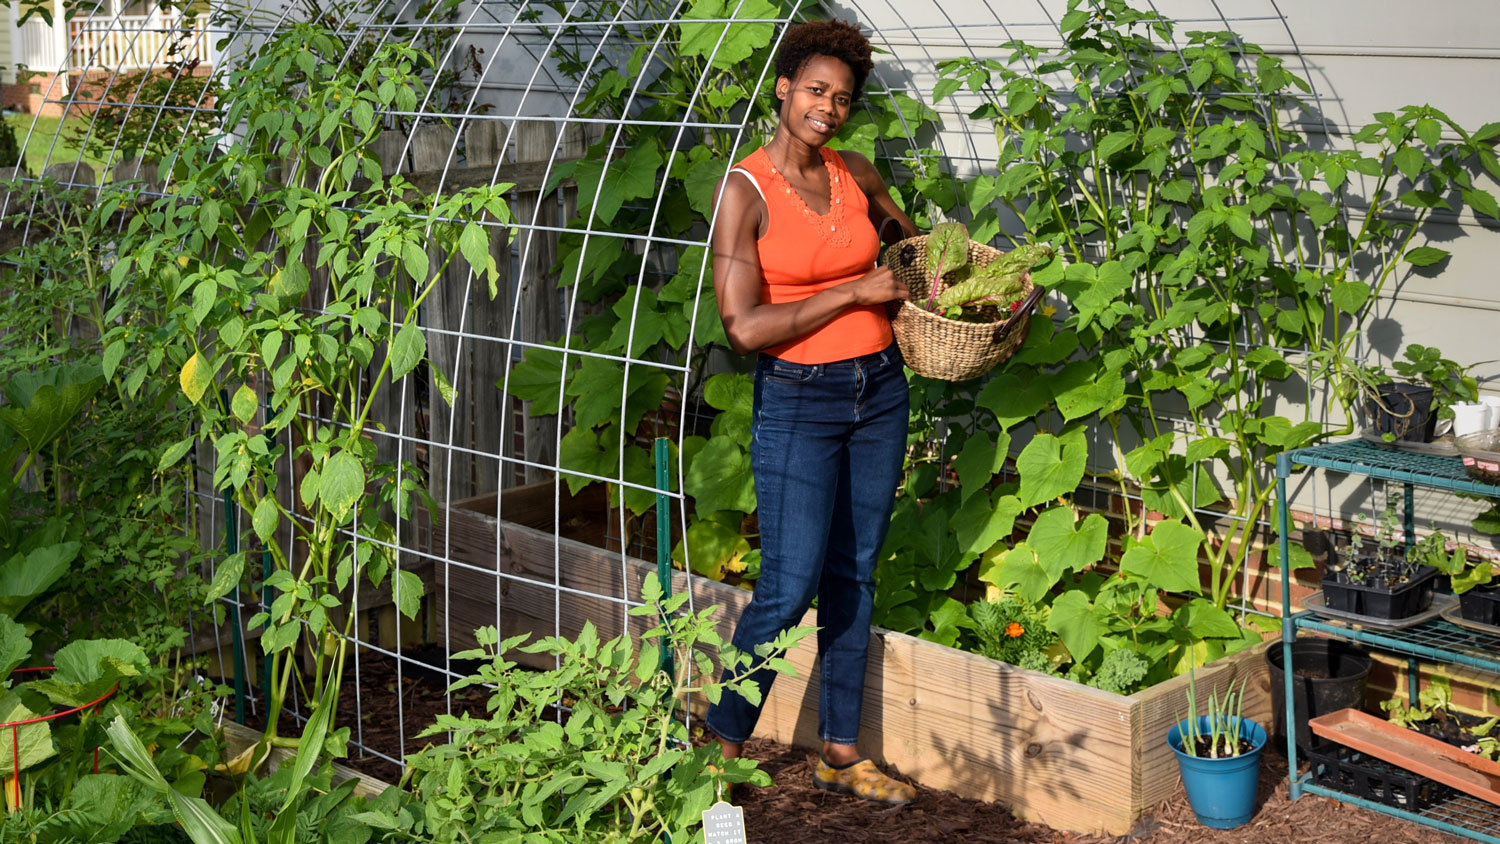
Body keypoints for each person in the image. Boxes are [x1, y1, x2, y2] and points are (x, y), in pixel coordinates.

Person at [705, 18, 919, 805]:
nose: (829, 107)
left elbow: (911, 249)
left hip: (880, 391)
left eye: (843, 97)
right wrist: (853, 292)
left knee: (853, 575)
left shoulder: (855, 172)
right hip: (799, 400)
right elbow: (744, 326)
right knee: (788, 587)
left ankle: (838, 750)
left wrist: (960, 279)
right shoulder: (745, 189)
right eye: (817, 91)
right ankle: (718, 754)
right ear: (784, 89)